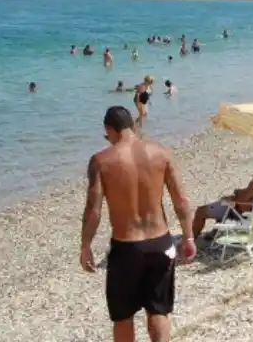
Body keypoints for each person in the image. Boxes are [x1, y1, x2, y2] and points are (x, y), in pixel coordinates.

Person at [81, 106, 195, 342]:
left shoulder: (101, 161)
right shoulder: (160, 152)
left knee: (123, 316)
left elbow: (93, 209)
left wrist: (85, 246)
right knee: (158, 310)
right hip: (161, 242)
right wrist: (189, 236)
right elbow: (180, 200)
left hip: (127, 247)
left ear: (109, 129)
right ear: (133, 126)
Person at [191, 153, 253, 239]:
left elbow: (242, 200)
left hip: (239, 211)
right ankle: (215, 232)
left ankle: (190, 241)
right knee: (223, 202)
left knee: (200, 211)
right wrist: (240, 192)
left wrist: (230, 199)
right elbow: (251, 195)